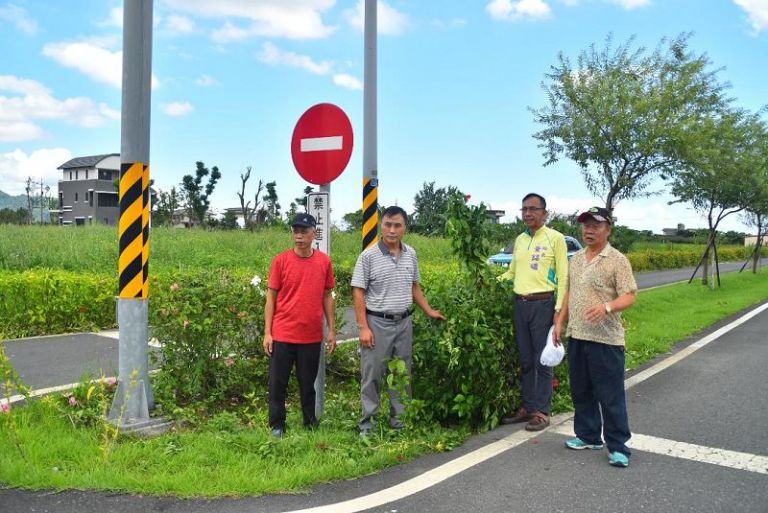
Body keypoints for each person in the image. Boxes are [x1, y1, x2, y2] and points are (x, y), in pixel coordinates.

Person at [553, 206, 637, 468]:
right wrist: (559, 322)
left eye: (596, 225)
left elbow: (629, 294)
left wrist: (607, 307)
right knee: (581, 390)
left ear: (608, 229)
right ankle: (588, 436)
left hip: (606, 339)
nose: (589, 230)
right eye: (586, 225)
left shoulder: (617, 260)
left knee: (610, 395)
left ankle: (618, 446)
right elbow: (568, 293)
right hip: (578, 334)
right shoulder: (576, 258)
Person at [351, 206, 445, 437]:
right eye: (387, 225)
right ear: (381, 226)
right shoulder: (368, 256)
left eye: (397, 225)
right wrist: (363, 327)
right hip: (377, 323)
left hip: (404, 322)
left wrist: (429, 310)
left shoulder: (410, 253)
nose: (392, 230)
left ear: (405, 227)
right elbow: (358, 291)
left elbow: (414, 287)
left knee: (400, 374)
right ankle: (367, 425)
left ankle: (400, 422)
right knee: (372, 375)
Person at [498, 193, 568, 431]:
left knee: (543, 360)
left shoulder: (555, 239)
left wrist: (558, 312)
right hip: (520, 305)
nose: (528, 213)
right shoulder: (519, 239)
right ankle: (527, 408)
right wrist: (491, 281)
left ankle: (542, 411)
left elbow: (564, 277)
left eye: (533, 209)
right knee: (526, 360)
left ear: (544, 213)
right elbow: (512, 274)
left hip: (543, 304)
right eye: (524, 209)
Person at [263, 213, 336, 437]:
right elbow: (271, 298)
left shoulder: (324, 262)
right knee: (278, 384)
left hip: (311, 336)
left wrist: (332, 330)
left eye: (304, 231)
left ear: (315, 233)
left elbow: (327, 296)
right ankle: (277, 424)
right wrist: (267, 332)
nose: (299, 235)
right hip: (283, 334)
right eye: (296, 231)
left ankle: (310, 422)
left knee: (308, 384)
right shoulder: (280, 261)